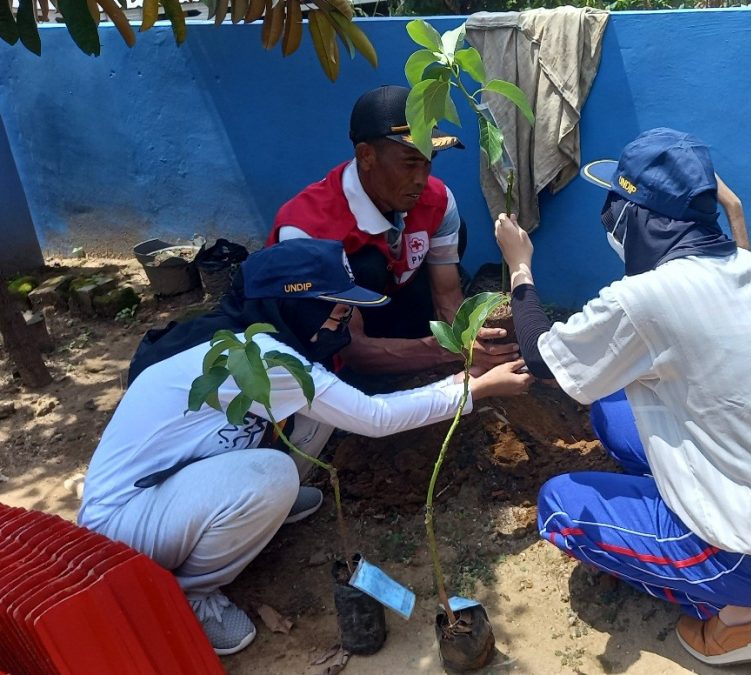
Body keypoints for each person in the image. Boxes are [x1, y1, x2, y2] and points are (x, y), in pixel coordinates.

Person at [493, 128, 751, 666]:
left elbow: (540, 355)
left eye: (617, 206)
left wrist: (520, 266)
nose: (609, 219)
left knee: (559, 506)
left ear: (643, 219)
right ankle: (727, 565)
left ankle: (740, 619)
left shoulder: (645, 299)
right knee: (610, 408)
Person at [77, 239, 532, 656]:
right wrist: (475, 389)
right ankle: (192, 593)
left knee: (317, 411)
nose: (341, 322)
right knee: (271, 475)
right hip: (119, 532)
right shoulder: (257, 356)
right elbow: (374, 418)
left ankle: (244, 505)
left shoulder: (255, 337)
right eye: (333, 312)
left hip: (170, 488)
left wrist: (457, 379)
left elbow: (336, 403)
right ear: (290, 305)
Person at [268, 84, 519, 377]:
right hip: (321, 336)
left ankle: (408, 349)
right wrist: (447, 350)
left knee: (451, 231)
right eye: (409, 163)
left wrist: (469, 340)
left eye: (428, 163)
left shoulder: (437, 201)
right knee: (366, 265)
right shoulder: (307, 231)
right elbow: (351, 348)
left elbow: (448, 296)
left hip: (390, 298)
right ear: (366, 156)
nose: (421, 180)